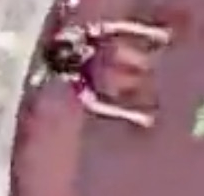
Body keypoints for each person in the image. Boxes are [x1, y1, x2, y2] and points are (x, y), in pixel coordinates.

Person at [39, 18, 171, 127]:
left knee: (142, 61)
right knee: (129, 83)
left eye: (83, 48)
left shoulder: (84, 33)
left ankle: (145, 60)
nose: (87, 51)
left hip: (103, 50)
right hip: (98, 73)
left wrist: (152, 31)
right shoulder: (75, 77)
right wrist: (134, 116)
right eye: (82, 54)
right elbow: (93, 105)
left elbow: (117, 26)